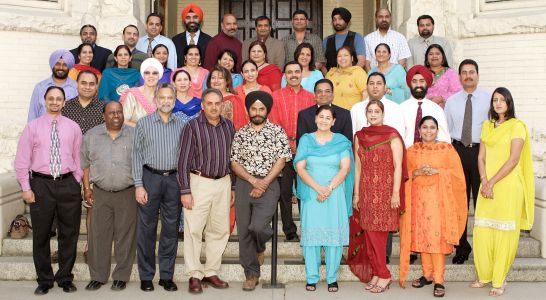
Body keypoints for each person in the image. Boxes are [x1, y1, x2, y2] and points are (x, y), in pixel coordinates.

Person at [15, 86, 83, 295]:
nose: (54, 102)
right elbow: (21, 161)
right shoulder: (32, 127)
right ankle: (44, 279)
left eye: (58, 99)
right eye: (51, 99)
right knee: (42, 235)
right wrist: (26, 187)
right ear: (45, 101)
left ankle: (64, 277)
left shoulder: (73, 127)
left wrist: (76, 181)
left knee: (69, 234)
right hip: (41, 185)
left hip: (67, 184)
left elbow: (78, 158)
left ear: (64, 102)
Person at [472, 87, 534, 296]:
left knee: (504, 233)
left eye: (502, 99)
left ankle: (500, 280)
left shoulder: (517, 126)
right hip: (486, 183)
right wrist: (484, 180)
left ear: (509, 102)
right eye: (494, 100)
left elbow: (513, 159)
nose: (498, 103)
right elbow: (481, 157)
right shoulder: (487, 126)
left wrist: (492, 182)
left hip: (507, 186)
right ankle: (485, 276)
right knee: (483, 231)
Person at [399, 116, 467, 297]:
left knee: (437, 238)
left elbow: (458, 175)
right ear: (419, 130)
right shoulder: (412, 150)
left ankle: (439, 279)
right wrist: (417, 172)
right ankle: (427, 274)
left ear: (438, 130)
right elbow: (403, 174)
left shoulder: (447, 149)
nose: (428, 131)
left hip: (440, 201)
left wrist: (439, 171)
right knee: (423, 237)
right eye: (425, 128)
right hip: (419, 202)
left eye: (432, 128)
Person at [231, 91, 292, 291]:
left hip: (270, 183)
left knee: (257, 227)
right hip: (244, 184)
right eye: (254, 109)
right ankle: (251, 273)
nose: (257, 112)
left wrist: (263, 183)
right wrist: (251, 180)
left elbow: (281, 159)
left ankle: (260, 246)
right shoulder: (240, 133)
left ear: (267, 110)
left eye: (261, 109)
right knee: (244, 231)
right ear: (248, 110)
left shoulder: (277, 131)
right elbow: (234, 162)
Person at [177, 88, 235, 294]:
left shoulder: (229, 126)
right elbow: (183, 160)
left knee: (219, 229)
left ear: (222, 105)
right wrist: (185, 190)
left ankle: (211, 271)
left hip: (223, 182)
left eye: (217, 103)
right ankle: (194, 274)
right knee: (193, 230)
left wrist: (233, 186)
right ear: (202, 105)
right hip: (198, 181)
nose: (213, 107)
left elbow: (232, 159)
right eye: (209, 103)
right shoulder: (191, 126)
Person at [348, 100, 405, 293]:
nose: (373, 114)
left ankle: (385, 274)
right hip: (366, 190)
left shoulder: (391, 135)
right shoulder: (360, 136)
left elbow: (399, 166)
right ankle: (377, 273)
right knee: (369, 234)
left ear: (383, 113)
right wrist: (356, 194)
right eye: (370, 111)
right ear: (366, 114)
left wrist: (396, 192)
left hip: (386, 191)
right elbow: (358, 167)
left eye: (376, 111)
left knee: (378, 235)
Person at [294, 105, 353, 292]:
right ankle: (312, 276)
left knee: (333, 237)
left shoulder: (342, 141)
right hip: (312, 193)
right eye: (321, 117)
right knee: (311, 235)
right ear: (315, 119)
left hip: (334, 193)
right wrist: (318, 188)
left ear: (334, 121)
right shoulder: (306, 139)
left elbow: (345, 168)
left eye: (328, 118)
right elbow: (300, 167)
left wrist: (328, 188)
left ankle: (331, 277)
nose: (324, 120)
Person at [133, 83, 184, 292]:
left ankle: (166, 276)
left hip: (173, 181)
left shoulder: (181, 125)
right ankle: (146, 276)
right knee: (146, 229)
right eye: (161, 98)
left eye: (169, 98)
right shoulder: (143, 124)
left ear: (174, 100)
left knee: (170, 230)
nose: (165, 101)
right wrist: (138, 185)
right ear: (155, 100)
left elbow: (185, 157)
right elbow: (135, 155)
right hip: (150, 178)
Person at [81, 101, 136, 291]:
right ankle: (98, 276)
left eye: (119, 112)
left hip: (127, 192)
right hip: (100, 193)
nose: (116, 116)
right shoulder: (91, 135)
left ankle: (121, 275)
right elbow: (85, 165)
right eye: (111, 113)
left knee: (125, 236)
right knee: (99, 235)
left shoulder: (134, 135)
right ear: (104, 116)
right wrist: (87, 189)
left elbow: (140, 163)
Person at [445, 59, 491, 265]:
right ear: (459, 77)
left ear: (478, 75)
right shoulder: (452, 101)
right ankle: (462, 247)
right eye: (464, 72)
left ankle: (483, 246)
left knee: (482, 203)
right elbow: (446, 131)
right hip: (458, 151)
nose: (468, 76)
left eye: (472, 72)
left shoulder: (490, 99)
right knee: (459, 203)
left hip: (482, 153)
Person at [269, 61, 315, 242]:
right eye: (289, 72)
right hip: (284, 152)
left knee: (306, 192)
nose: (294, 75)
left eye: (297, 71)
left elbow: (314, 125)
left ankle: (309, 228)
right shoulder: (276, 97)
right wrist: (288, 145)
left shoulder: (312, 97)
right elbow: (273, 124)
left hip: (307, 152)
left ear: (302, 73)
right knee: (285, 193)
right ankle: (289, 230)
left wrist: (302, 145)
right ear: (284, 76)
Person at [400, 65, 450, 147]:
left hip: (432, 156)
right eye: (414, 81)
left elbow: (445, 140)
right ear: (409, 84)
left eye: (422, 81)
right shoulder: (401, 109)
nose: (418, 85)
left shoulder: (436, 109)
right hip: (406, 155)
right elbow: (396, 138)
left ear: (427, 83)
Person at [296, 79, 352, 143]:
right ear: (314, 95)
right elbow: (301, 143)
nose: (323, 94)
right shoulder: (304, 115)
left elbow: (347, 143)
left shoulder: (345, 115)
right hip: (311, 152)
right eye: (319, 91)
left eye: (327, 91)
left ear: (333, 94)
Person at [28, 49, 78, 121]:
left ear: (69, 67)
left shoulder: (76, 88)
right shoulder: (40, 87)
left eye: (64, 65)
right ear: (52, 65)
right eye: (57, 64)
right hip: (42, 130)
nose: (61, 67)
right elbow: (32, 114)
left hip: (68, 131)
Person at [352, 72, 405, 136]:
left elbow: (400, 136)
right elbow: (353, 135)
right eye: (371, 83)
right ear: (366, 87)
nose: (375, 86)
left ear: (385, 87)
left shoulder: (395, 109)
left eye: (379, 83)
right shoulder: (356, 109)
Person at [120, 58, 162, 126]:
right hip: (134, 134)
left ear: (159, 76)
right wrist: (144, 129)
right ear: (143, 75)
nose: (151, 76)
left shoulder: (163, 95)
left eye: (154, 73)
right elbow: (124, 121)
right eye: (147, 73)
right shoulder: (132, 94)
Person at [206, 65, 248, 130]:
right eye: (213, 78)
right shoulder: (206, 100)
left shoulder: (234, 100)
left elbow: (240, 126)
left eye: (220, 78)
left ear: (227, 81)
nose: (216, 81)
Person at [172, 3, 212, 68]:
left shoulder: (209, 40)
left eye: (195, 17)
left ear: (200, 19)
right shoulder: (175, 40)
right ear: (183, 20)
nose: (191, 20)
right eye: (188, 17)